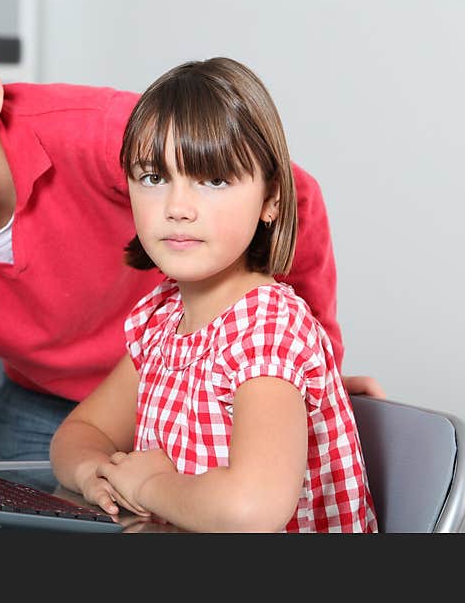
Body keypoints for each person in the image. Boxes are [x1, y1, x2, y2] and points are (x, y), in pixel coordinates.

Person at [0, 0, 382, 464]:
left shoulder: (97, 130)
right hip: (45, 404)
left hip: (186, 380)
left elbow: (290, 191)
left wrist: (314, 372)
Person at [49, 57, 377, 532]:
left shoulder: (267, 329)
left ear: (271, 201)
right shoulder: (161, 321)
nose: (178, 207)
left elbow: (252, 511)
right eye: (154, 178)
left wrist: (147, 487)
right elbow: (80, 434)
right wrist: (92, 471)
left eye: (214, 180)